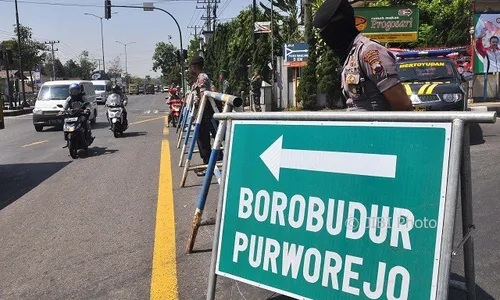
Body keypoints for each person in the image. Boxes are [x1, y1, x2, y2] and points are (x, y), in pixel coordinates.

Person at [312, 0, 412, 111]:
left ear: (341, 27)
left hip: (377, 126)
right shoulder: (350, 56)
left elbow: (402, 104)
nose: (327, 39)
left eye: (329, 32)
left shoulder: (369, 51)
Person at [190, 56, 223, 176]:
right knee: (205, 138)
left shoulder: (202, 78)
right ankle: (210, 163)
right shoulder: (199, 77)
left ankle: (210, 164)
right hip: (203, 112)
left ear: (195, 66)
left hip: (205, 112)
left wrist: (199, 113)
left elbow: (204, 95)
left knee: (206, 138)